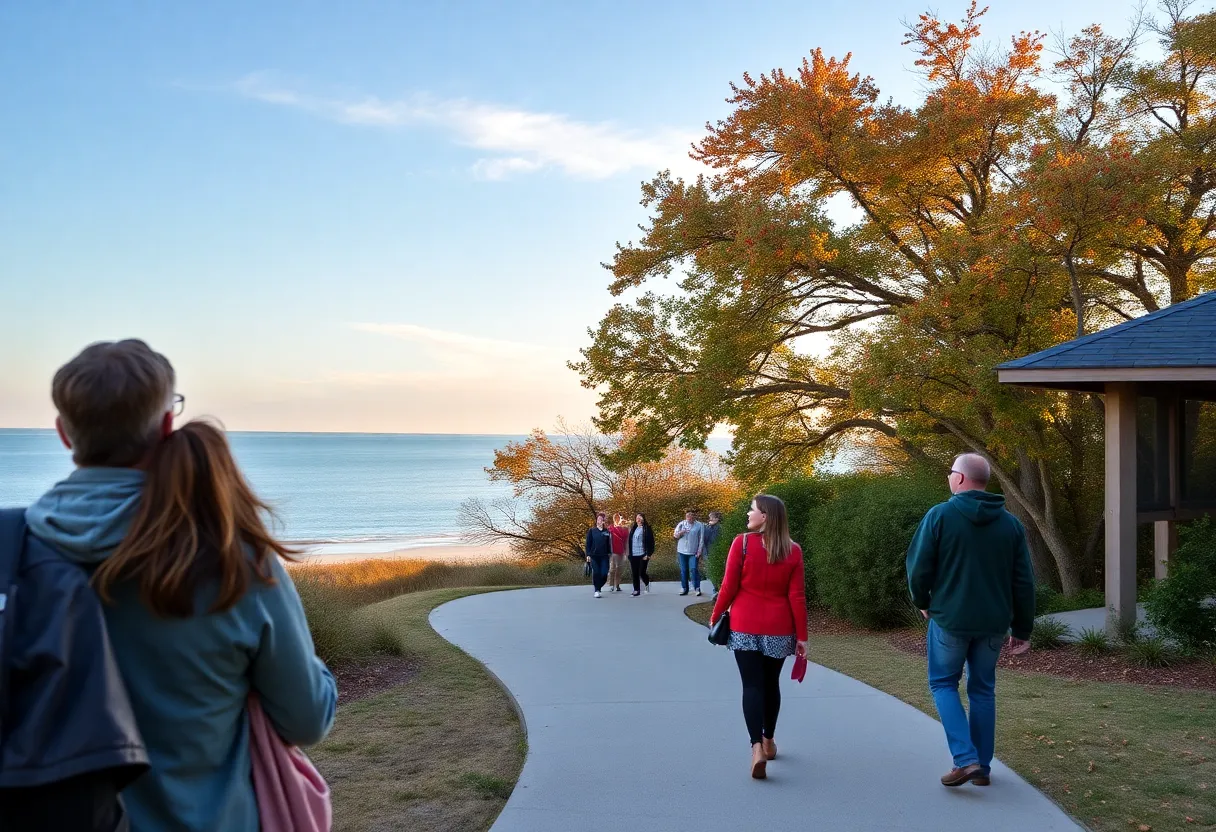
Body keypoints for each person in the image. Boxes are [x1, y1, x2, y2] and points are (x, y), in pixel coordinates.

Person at [24, 339, 338, 831]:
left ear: (64, 433)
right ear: (167, 425)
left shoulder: (15, 552)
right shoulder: (233, 561)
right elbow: (306, 719)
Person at [906, 453, 1035, 788]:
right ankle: (983, 768)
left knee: (943, 683)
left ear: (960, 479)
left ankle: (966, 760)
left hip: (950, 619)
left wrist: (922, 602)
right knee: (982, 689)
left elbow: (918, 567)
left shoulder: (940, 515)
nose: (949, 477)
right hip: (993, 624)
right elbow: (1023, 582)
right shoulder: (1011, 525)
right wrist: (1022, 629)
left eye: (951, 472)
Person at [708, 495, 807, 779]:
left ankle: (755, 749)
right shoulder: (793, 550)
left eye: (752, 509)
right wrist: (802, 636)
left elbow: (728, 585)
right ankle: (768, 739)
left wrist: (715, 616)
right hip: (779, 627)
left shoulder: (742, 543)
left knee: (751, 686)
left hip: (743, 625)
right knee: (770, 684)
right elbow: (797, 597)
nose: (748, 514)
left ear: (765, 516)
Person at [673, 509, 706, 597]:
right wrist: (681, 532)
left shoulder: (699, 525)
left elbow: (701, 539)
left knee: (694, 569)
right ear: (686, 517)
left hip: (693, 552)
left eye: (691, 515)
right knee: (684, 570)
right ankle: (684, 588)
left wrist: (699, 551)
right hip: (682, 551)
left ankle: (697, 588)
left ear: (694, 516)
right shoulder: (681, 524)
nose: (689, 517)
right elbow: (675, 535)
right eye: (688, 516)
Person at [584, 512, 613, 598]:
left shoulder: (607, 532)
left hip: (604, 556)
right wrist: (588, 555)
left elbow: (609, 544)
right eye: (598, 519)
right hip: (594, 556)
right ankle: (597, 590)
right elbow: (588, 544)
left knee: (604, 574)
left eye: (601, 519)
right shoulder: (592, 531)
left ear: (603, 521)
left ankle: (599, 586)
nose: (598, 521)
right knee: (596, 573)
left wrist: (610, 554)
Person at [627, 512, 655, 596]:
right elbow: (629, 541)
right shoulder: (633, 528)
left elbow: (651, 543)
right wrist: (629, 554)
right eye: (637, 518)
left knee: (641, 572)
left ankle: (646, 582)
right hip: (633, 554)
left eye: (640, 517)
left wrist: (648, 554)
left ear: (643, 519)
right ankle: (636, 590)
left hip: (643, 554)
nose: (638, 519)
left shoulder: (647, 529)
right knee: (634, 572)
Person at [702, 510, 723, 596]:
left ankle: (719, 589)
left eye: (712, 518)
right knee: (711, 571)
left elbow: (716, 540)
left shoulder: (720, 528)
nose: (710, 519)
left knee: (718, 571)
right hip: (708, 552)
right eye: (710, 518)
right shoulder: (707, 527)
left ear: (717, 519)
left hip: (717, 553)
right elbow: (704, 539)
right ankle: (716, 588)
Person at [607, 512, 629, 593]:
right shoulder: (610, 528)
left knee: (620, 569)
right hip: (613, 551)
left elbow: (627, 542)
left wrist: (627, 553)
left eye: (620, 518)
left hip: (622, 552)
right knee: (612, 569)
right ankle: (611, 585)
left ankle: (618, 585)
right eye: (617, 518)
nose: (619, 519)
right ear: (614, 519)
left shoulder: (625, 529)